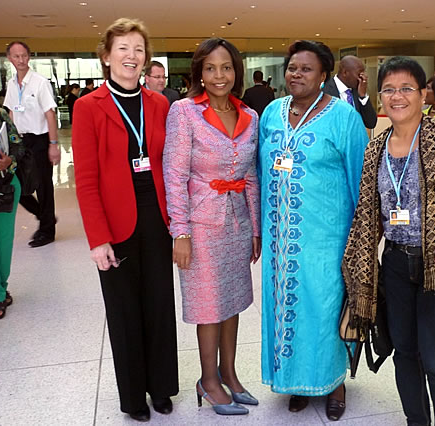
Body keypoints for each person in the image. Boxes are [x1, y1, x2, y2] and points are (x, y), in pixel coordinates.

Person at [342, 56, 435, 426]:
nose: (398, 96)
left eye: (406, 88)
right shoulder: (374, 150)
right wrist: (360, 265)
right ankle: (416, 421)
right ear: (380, 96)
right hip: (397, 263)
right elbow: (370, 214)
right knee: (405, 353)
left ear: (423, 94)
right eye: (390, 90)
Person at [71, 18, 178, 421]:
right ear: (106, 57)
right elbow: (85, 180)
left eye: (138, 49)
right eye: (123, 49)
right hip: (115, 224)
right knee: (124, 311)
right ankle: (133, 396)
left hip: (157, 218)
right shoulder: (88, 107)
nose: (132, 56)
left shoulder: (159, 103)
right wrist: (98, 239)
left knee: (158, 305)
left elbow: (171, 162)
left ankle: (163, 386)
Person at [258, 40, 369, 421]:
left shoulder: (344, 117)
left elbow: (361, 181)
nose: (296, 74)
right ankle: (295, 380)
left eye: (306, 68)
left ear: (324, 76)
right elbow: (260, 173)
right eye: (292, 67)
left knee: (324, 309)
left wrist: (363, 240)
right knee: (287, 308)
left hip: (327, 239)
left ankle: (334, 383)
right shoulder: (272, 112)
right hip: (279, 239)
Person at [164, 37, 260, 416]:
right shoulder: (184, 112)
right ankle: (208, 380)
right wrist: (180, 233)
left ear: (235, 71)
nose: (219, 75)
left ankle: (230, 374)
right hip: (201, 224)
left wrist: (254, 229)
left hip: (237, 222)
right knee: (209, 306)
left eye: (226, 67)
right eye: (210, 68)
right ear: (199, 73)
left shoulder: (249, 115)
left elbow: (251, 173)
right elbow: (175, 175)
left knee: (233, 301)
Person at [3, 41, 60, 248]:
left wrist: (53, 144)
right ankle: (45, 215)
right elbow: (10, 113)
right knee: (15, 184)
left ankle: (47, 231)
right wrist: (9, 142)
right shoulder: (11, 84)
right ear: (9, 58)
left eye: (24, 55)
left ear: (29, 56)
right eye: (16, 56)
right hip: (19, 141)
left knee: (44, 186)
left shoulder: (39, 82)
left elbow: (50, 114)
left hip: (39, 140)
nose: (21, 60)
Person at [0, 108, 23, 320]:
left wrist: (9, 160)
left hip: (4, 187)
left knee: (4, 242)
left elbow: (19, 146)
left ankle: (1, 288)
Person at [322, 55, 377, 129]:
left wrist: (363, 96)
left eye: (364, 73)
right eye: (359, 73)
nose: (363, 77)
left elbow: (371, 123)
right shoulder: (324, 90)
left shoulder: (357, 91)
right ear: (345, 73)